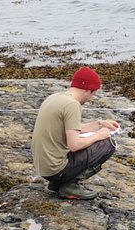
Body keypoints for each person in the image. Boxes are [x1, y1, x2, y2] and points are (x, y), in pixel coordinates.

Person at [31, 66, 121, 200]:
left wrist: (100, 124)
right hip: (56, 170)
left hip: (44, 168)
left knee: (95, 140)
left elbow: (72, 128)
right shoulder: (72, 105)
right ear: (89, 91)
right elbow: (74, 145)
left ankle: (56, 184)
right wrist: (98, 136)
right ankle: (70, 185)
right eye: (93, 94)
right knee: (107, 144)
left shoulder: (56, 98)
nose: (90, 98)